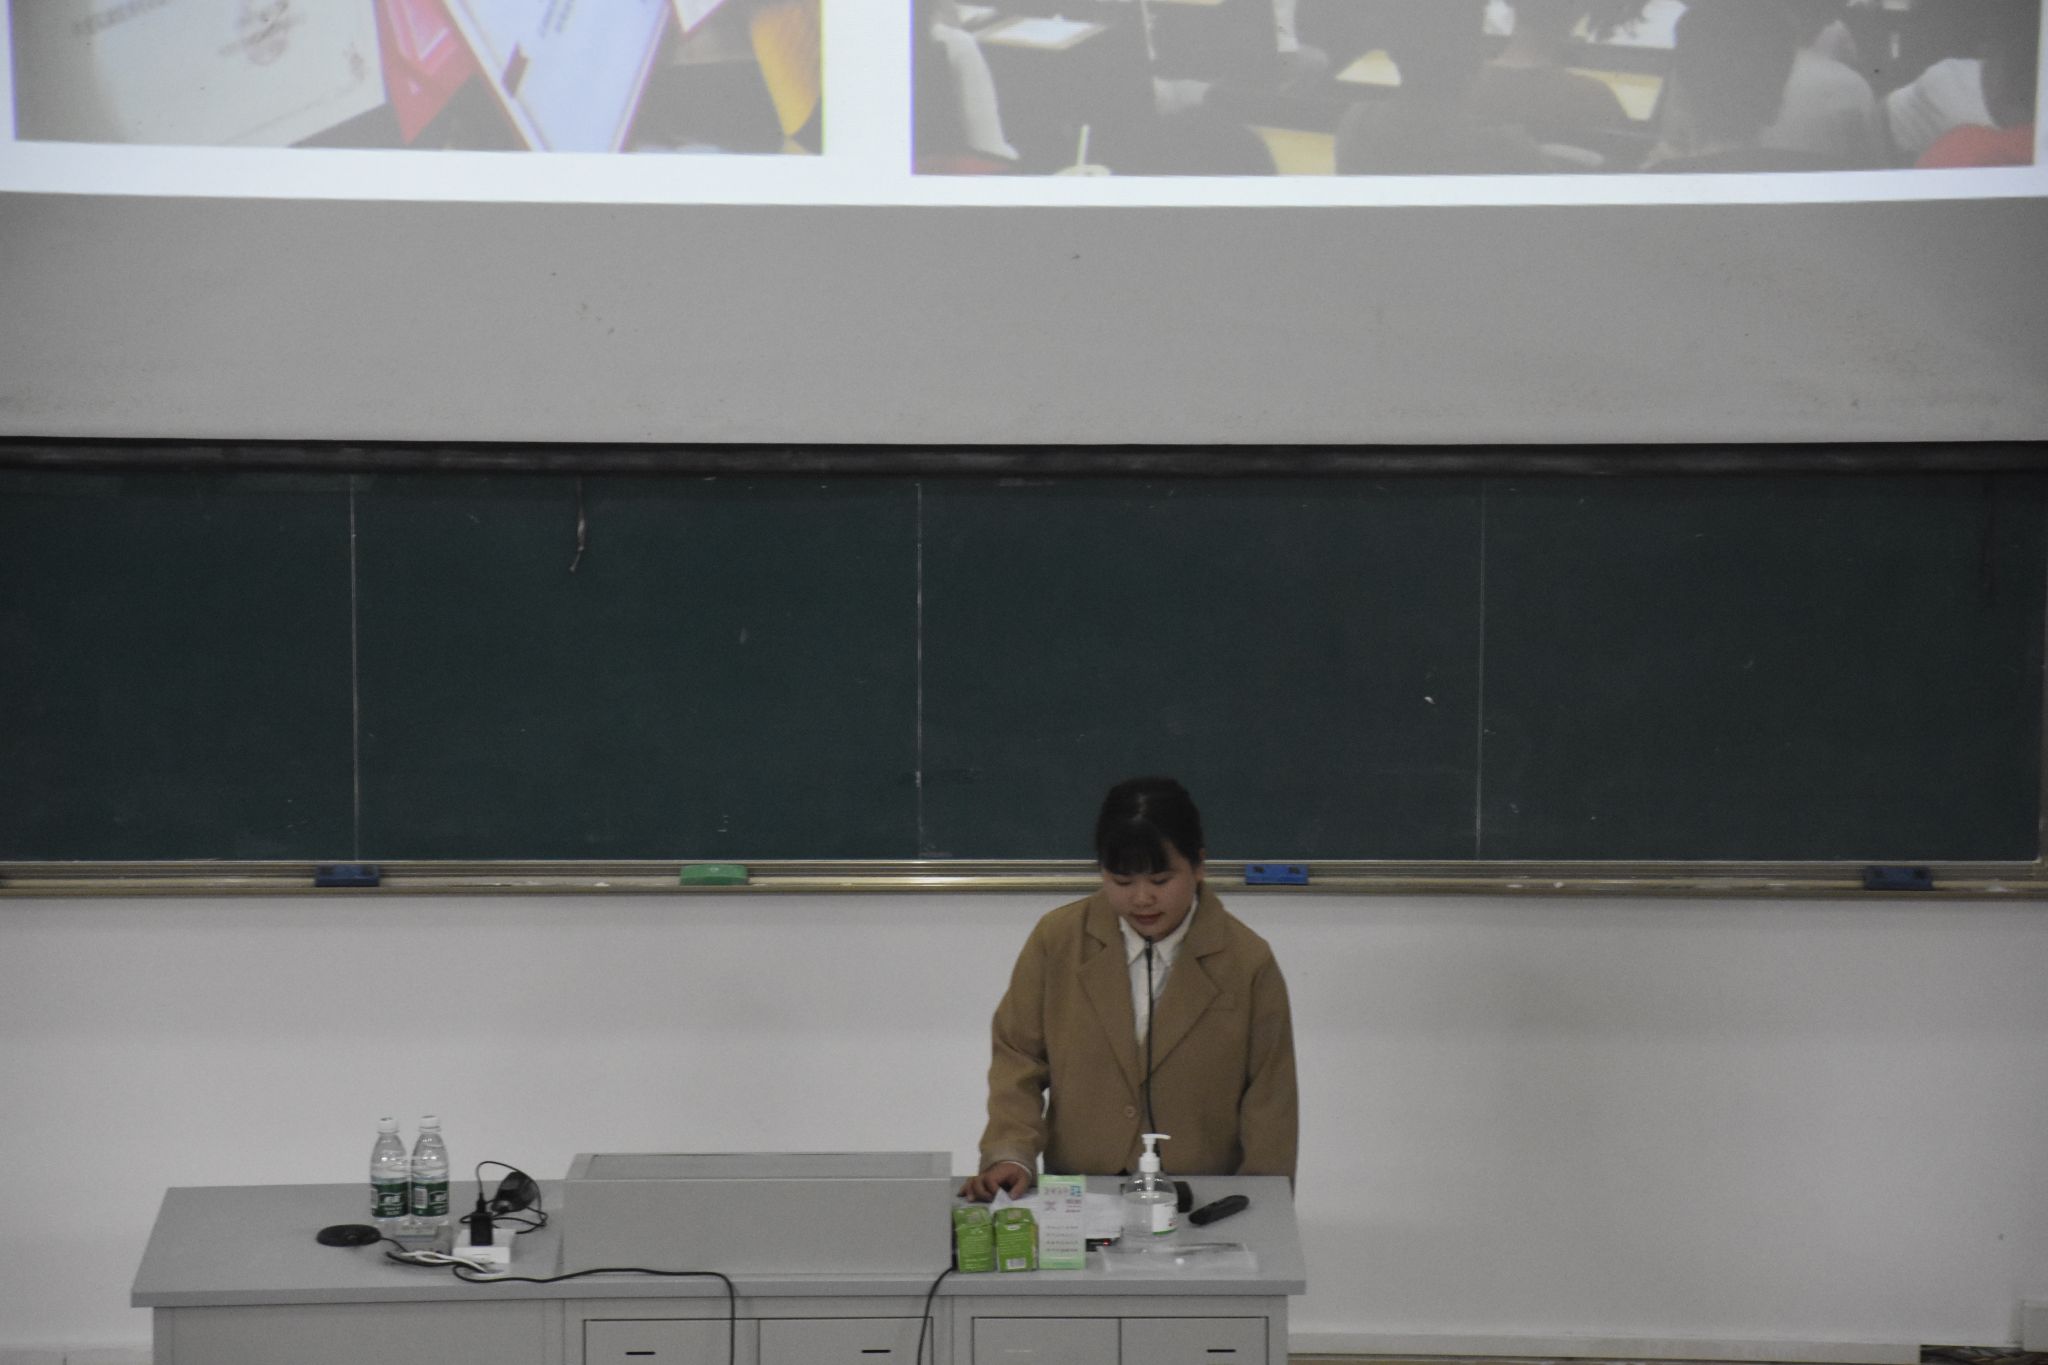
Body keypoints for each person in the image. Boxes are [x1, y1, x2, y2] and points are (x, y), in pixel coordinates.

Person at [961, 777, 1298, 1200]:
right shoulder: (1058, 940)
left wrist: (1262, 1206)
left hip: (1201, 1197)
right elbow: (1018, 1058)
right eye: (1121, 881)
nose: (1141, 899)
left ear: (1198, 866)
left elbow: (1271, 1100)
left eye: (1160, 880)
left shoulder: (1248, 960)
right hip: (1079, 1192)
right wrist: (1011, 1153)